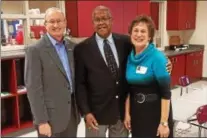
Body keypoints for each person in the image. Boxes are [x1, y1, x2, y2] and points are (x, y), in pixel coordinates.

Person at [74, 5, 172, 137]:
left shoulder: (125, 42)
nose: (101, 22)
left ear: (111, 20)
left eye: (105, 18)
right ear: (92, 23)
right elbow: (80, 84)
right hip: (96, 113)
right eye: (97, 19)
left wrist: (166, 62)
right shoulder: (82, 49)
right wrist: (86, 112)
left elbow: (147, 51)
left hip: (122, 112)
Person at [25, 7, 80, 137]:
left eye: (59, 21)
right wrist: (41, 121)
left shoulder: (72, 47)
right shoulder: (35, 50)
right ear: (45, 25)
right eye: (51, 21)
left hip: (71, 114)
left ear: (65, 23)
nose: (56, 25)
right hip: (49, 118)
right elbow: (33, 90)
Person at [124, 15, 174, 138]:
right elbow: (129, 89)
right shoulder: (129, 57)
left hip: (155, 112)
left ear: (149, 36)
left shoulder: (157, 57)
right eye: (135, 30)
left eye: (143, 31)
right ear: (130, 34)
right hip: (137, 112)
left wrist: (164, 122)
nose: (138, 34)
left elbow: (166, 93)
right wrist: (127, 114)